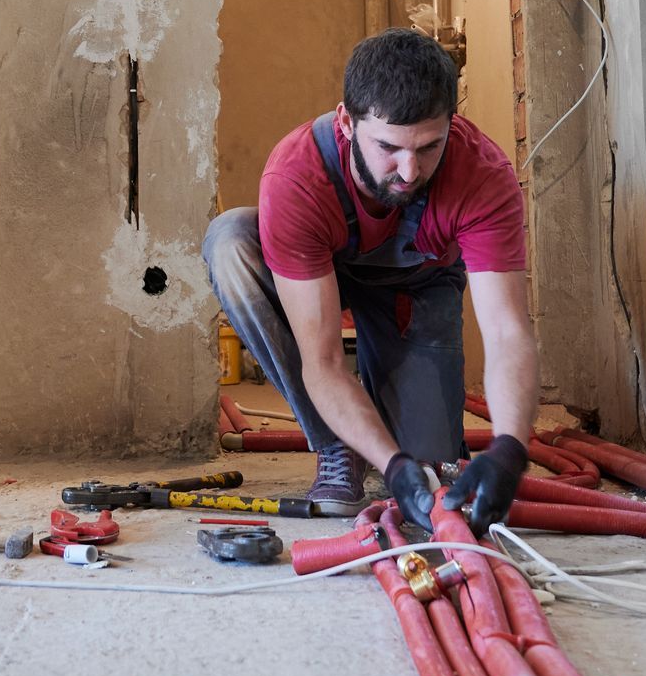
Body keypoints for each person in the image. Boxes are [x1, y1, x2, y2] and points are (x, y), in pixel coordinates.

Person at [201, 28, 535, 533]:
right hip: (320, 275)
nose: (409, 170)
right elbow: (325, 362)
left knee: (433, 472)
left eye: (429, 147)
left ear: (452, 123)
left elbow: (509, 332)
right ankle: (336, 443)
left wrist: (510, 446)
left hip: (416, 286)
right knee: (230, 241)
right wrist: (388, 462)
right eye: (389, 148)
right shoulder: (297, 175)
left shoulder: (483, 176)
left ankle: (393, 431)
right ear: (346, 122)